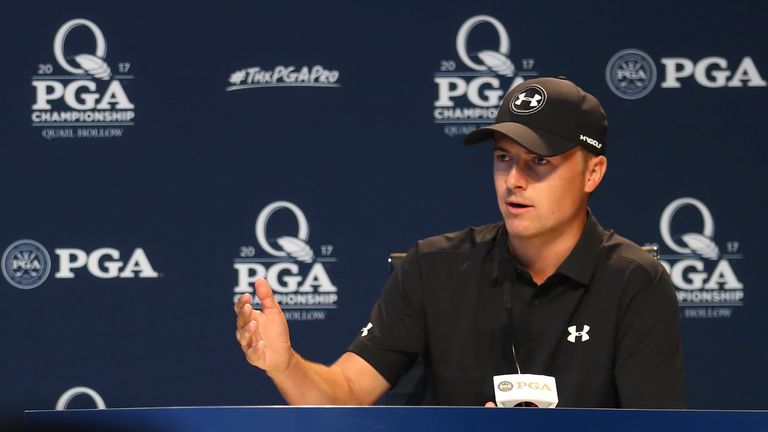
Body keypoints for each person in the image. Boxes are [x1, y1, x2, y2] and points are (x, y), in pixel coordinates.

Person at [234, 77, 685, 408]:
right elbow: (345, 395)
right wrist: (285, 364)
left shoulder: (635, 282)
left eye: (539, 162)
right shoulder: (433, 267)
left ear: (593, 173)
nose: (514, 181)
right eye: (504, 159)